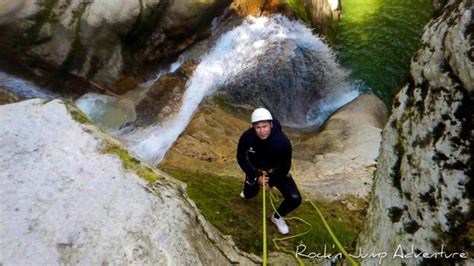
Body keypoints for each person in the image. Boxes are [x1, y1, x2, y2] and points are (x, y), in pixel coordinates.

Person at [236, 107, 302, 234]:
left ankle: (277, 217)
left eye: (264, 126)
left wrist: (270, 183)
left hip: (277, 171)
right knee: (249, 195)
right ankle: (248, 190)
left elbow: (285, 166)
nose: (262, 131)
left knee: (295, 199)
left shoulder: (282, 141)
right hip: (256, 170)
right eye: (258, 127)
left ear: (271, 124)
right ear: (253, 127)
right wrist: (256, 177)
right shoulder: (247, 137)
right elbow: (241, 157)